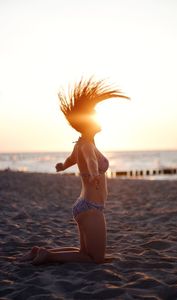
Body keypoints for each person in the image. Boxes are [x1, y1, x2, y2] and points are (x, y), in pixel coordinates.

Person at [20, 77, 129, 264]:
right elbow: (90, 161)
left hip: (84, 205)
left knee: (83, 252)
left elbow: (72, 160)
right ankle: (49, 256)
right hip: (92, 208)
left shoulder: (82, 143)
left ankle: (40, 251)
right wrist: (94, 174)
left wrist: (62, 166)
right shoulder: (86, 146)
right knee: (96, 259)